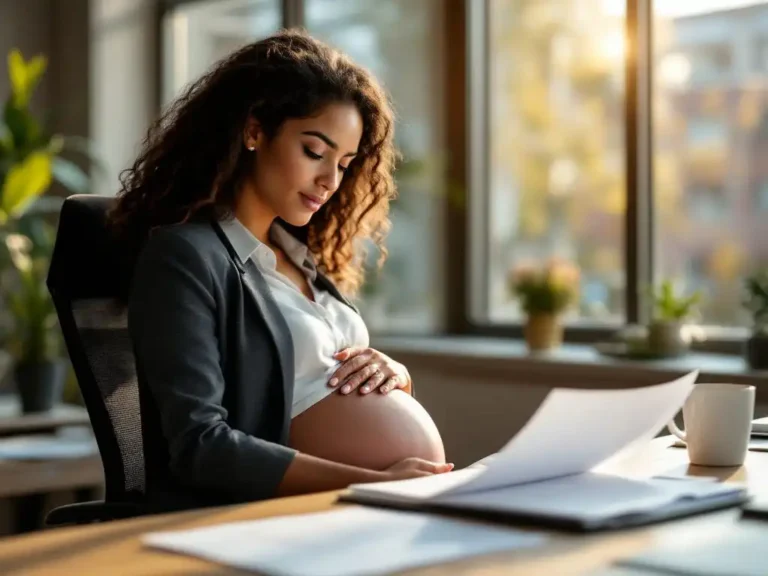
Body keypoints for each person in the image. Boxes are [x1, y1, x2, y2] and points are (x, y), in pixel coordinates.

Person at [108, 29, 451, 511]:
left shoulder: (303, 258)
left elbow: (324, 387)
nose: (330, 180)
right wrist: (370, 483)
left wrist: (395, 377)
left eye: (345, 164)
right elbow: (200, 446)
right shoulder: (185, 257)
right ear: (254, 132)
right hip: (286, 517)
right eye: (314, 151)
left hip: (368, 510)